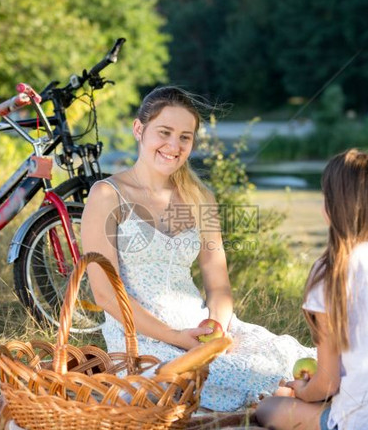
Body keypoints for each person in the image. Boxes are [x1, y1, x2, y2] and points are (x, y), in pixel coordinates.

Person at [80, 86, 315, 412]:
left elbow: (218, 284)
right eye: (164, 132)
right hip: (139, 334)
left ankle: (333, 409)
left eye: (185, 137)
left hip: (200, 327)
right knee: (212, 378)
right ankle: (300, 410)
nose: (173, 146)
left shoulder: (199, 198)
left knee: (284, 359)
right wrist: (175, 336)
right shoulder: (107, 195)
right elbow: (105, 294)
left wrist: (217, 326)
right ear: (139, 129)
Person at [255, 149, 368, 430]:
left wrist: (300, 391)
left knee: (268, 408)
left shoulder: (331, 272)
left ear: (331, 207)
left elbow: (328, 383)